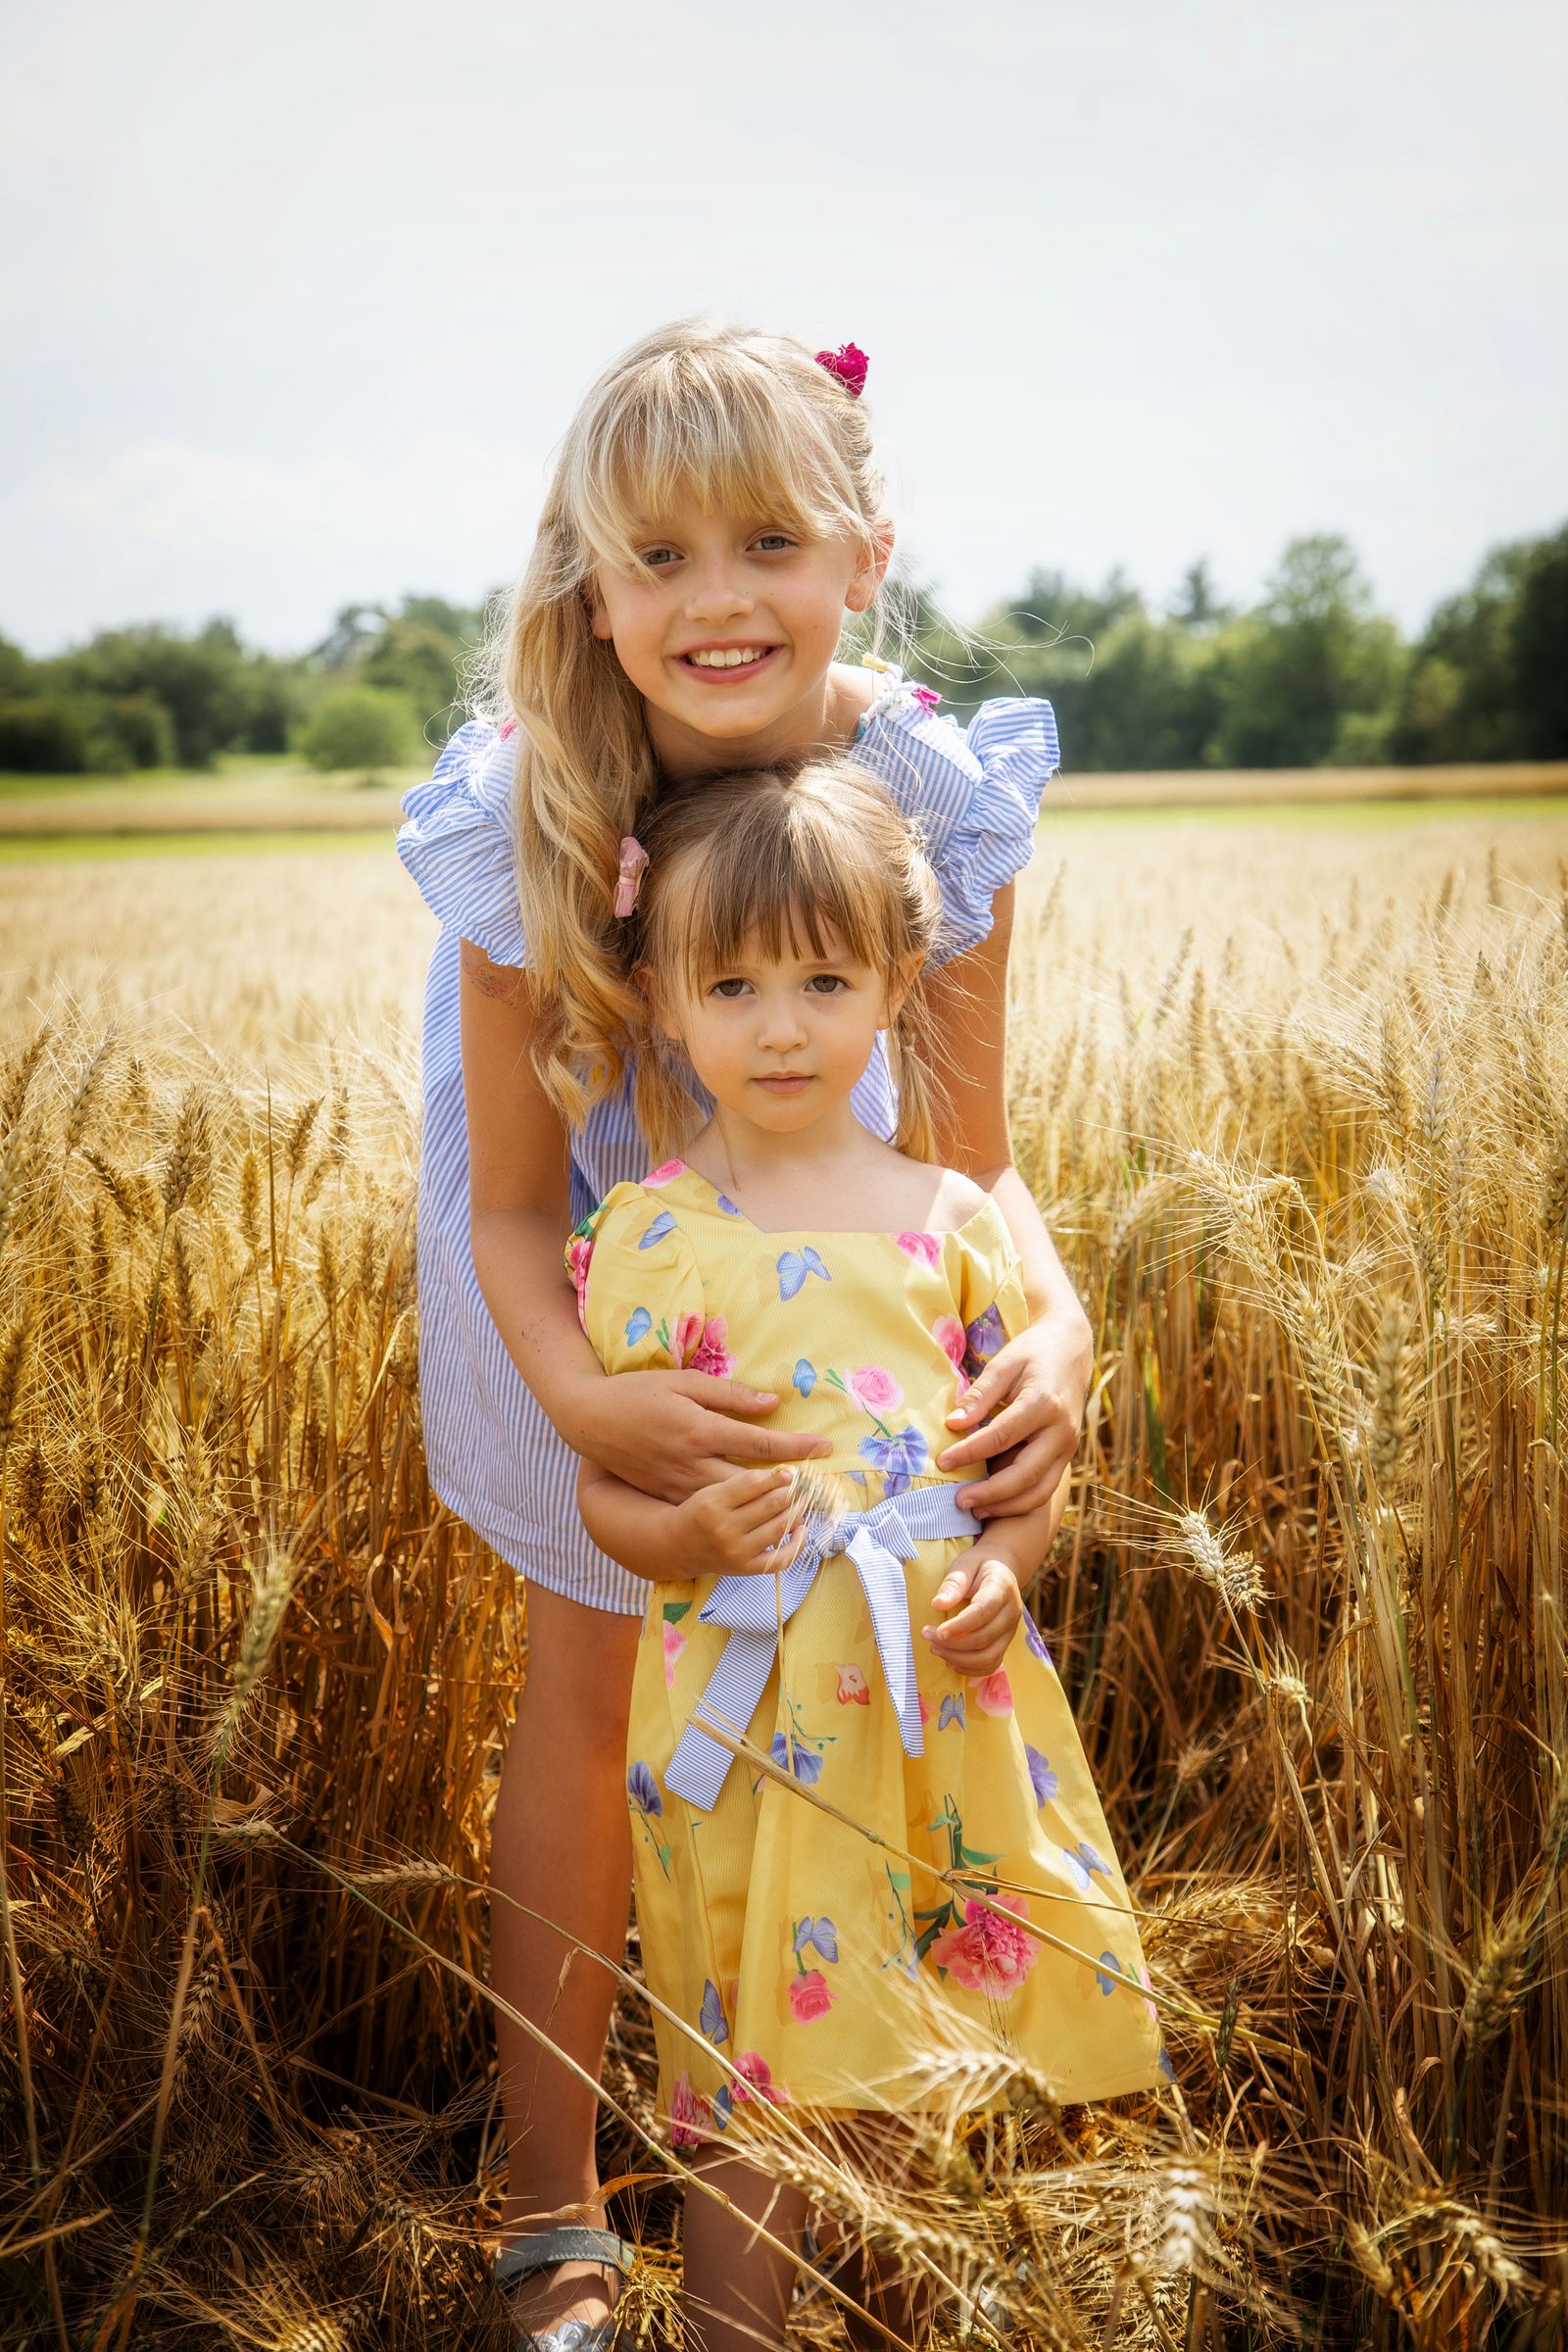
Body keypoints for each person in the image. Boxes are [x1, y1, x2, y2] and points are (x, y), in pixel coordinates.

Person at [395, 318, 1096, 2350]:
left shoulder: (923, 799)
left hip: (839, 1233)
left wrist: (1048, 1332)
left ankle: (794, 2177)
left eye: (768, 542)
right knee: (599, 1679)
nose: (716, 599)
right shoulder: (523, 810)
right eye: (660, 557)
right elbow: (526, 1208)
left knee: (819, 1685)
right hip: (586, 1270)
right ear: (588, 590)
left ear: (863, 554)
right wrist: (590, 1397)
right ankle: (552, 2225)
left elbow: (971, 1160)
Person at [569, 758, 1168, 2352]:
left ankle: (896, 2304)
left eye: (825, 981)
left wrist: (1015, 1565)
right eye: (734, 984)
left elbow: (1002, 1465)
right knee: (746, 2061)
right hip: (750, 1716)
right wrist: (683, 1530)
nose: (781, 1026)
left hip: (922, 1711)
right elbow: (604, 1501)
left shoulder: (955, 1221)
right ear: (663, 1002)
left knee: (902, 2044)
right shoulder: (651, 1235)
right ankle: (735, 2331)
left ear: (898, 984)